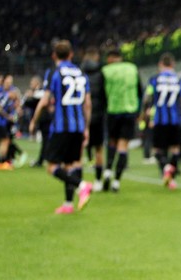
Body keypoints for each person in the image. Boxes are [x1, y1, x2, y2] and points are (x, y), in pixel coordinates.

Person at [29, 40, 92, 214]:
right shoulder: (81, 73)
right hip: (78, 125)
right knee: (71, 165)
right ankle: (68, 204)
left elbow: (44, 100)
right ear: (71, 54)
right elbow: (87, 103)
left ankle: (82, 186)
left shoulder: (53, 73)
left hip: (61, 127)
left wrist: (34, 120)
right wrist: (86, 127)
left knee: (52, 167)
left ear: (54, 55)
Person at [142, 53, 181, 190]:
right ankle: (171, 176)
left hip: (159, 120)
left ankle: (166, 169)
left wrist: (144, 113)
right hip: (176, 120)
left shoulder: (154, 79)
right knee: (175, 149)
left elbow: (147, 98)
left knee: (157, 149)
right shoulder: (179, 80)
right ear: (173, 64)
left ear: (160, 65)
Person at [102, 48, 143, 193]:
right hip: (129, 112)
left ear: (110, 58)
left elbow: (101, 93)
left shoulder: (106, 70)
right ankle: (117, 181)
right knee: (123, 146)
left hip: (113, 111)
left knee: (111, 142)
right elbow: (140, 91)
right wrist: (138, 111)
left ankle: (107, 172)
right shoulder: (132, 68)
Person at [80, 47, 107, 190]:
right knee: (99, 149)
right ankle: (98, 181)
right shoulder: (101, 74)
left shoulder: (79, 73)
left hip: (81, 116)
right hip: (98, 115)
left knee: (79, 148)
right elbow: (104, 95)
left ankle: (79, 182)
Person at [0, 75, 17, 170]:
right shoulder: (5, 94)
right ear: (4, 82)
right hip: (0, 121)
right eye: (8, 82)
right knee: (4, 141)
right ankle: (2, 162)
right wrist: (8, 116)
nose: (10, 83)